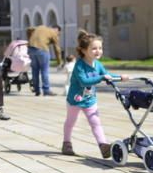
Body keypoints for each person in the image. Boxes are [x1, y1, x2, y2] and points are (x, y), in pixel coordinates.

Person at [62, 30, 127, 158]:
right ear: (84, 50)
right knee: (71, 121)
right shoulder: (79, 66)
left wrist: (119, 77)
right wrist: (102, 77)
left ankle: (103, 147)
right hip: (75, 100)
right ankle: (66, 143)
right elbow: (83, 81)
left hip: (90, 99)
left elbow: (106, 75)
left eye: (100, 48)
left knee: (95, 122)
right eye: (94, 49)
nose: (98, 51)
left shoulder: (98, 65)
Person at [28, 24, 62, 96]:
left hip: (31, 49)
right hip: (42, 50)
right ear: (57, 30)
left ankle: (37, 90)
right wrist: (59, 61)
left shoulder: (40, 27)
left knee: (35, 70)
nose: (58, 35)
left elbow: (29, 29)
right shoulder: (53, 32)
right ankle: (46, 90)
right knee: (44, 70)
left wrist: (29, 38)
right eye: (58, 33)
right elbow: (57, 49)